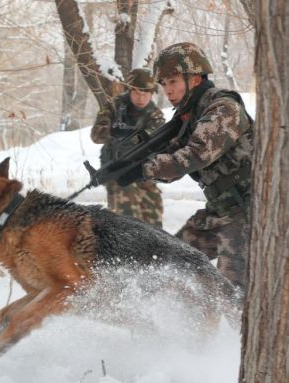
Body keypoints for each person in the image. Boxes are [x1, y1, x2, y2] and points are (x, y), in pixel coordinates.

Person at [121, 42, 253, 293]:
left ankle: (246, 333)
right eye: (163, 84)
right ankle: (185, 326)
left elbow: (195, 155)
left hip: (248, 213)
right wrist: (131, 163)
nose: (167, 91)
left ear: (194, 79)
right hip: (218, 212)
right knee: (169, 263)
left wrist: (146, 169)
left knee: (233, 296)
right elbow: (173, 160)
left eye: (172, 81)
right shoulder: (188, 117)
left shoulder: (223, 107)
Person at [90, 68, 166, 227]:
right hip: (117, 172)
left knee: (155, 226)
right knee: (127, 224)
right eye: (137, 92)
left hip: (143, 173)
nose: (141, 98)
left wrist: (134, 139)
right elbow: (96, 136)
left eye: (146, 93)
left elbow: (158, 141)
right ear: (129, 90)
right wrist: (112, 131)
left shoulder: (155, 114)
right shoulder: (114, 107)